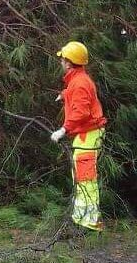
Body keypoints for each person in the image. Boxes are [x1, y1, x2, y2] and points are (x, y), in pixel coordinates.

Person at [51, 41, 107, 231]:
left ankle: (90, 221)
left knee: (86, 177)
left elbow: (81, 113)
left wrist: (63, 130)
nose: (61, 62)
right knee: (82, 175)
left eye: (63, 59)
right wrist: (64, 95)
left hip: (88, 134)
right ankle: (82, 218)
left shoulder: (80, 83)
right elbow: (76, 91)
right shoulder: (77, 79)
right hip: (87, 134)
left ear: (68, 63)